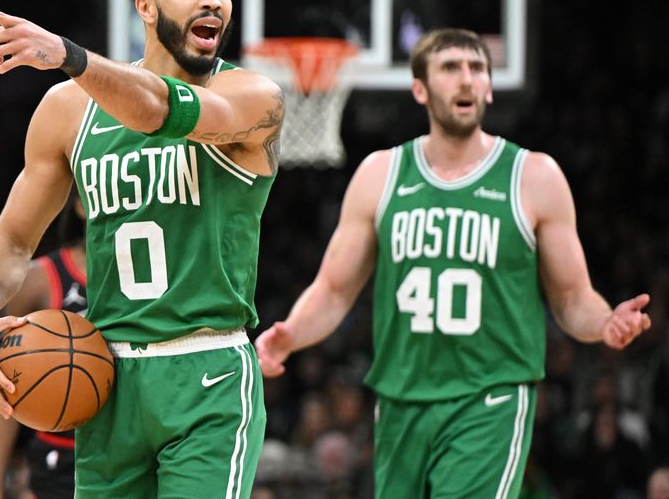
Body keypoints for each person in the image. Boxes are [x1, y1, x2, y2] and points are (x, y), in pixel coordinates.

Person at [0, 0, 284, 498]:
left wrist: (69, 56)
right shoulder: (67, 111)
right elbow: (12, 242)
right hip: (105, 377)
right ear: (146, 8)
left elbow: (156, 107)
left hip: (207, 372)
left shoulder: (253, 97)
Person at [255, 28, 651, 498]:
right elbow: (335, 289)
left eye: (476, 68)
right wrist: (291, 334)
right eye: (450, 68)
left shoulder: (533, 176)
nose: (466, 79)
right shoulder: (381, 174)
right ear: (420, 88)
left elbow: (571, 297)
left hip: (490, 397)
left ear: (488, 86)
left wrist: (605, 321)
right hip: (401, 397)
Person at [0, 193, 87, 499]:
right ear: (80, 205)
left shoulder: (147, 273)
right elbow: (3, 387)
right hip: (62, 452)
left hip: (130, 446)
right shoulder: (39, 278)